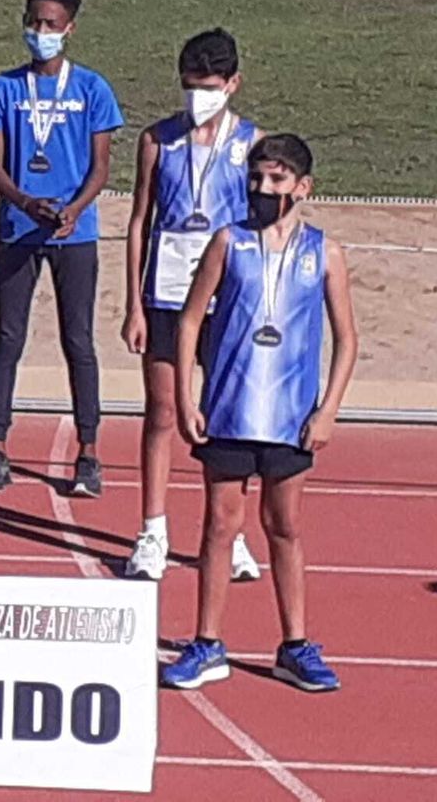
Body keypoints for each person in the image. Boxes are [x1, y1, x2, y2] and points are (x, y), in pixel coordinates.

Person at [161, 135, 358, 693]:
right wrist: (185, 397)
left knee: (284, 525)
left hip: (291, 418)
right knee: (221, 524)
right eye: (256, 178)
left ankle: (294, 644)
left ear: (303, 187)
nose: (263, 189)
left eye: (276, 179)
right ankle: (207, 642)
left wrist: (329, 410)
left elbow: (347, 339)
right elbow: (190, 320)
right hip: (228, 410)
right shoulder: (229, 242)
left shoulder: (325, 253)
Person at [0, 0, 123, 499]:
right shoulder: (4, 88)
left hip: (74, 233)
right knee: (8, 337)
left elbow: (100, 167)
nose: (40, 32)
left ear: (69, 28)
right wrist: (24, 202)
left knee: (78, 339)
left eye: (51, 24)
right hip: (19, 228)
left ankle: (88, 452)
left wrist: (74, 210)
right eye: (33, 22)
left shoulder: (92, 89)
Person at [122, 29, 263, 583]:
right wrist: (133, 304)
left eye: (208, 86)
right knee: (161, 410)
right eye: (189, 86)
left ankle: (231, 532)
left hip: (227, 295)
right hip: (165, 290)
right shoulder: (157, 140)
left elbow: (258, 225)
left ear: (232, 84)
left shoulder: (251, 144)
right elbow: (140, 221)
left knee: (225, 417)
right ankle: (152, 530)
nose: (197, 96)